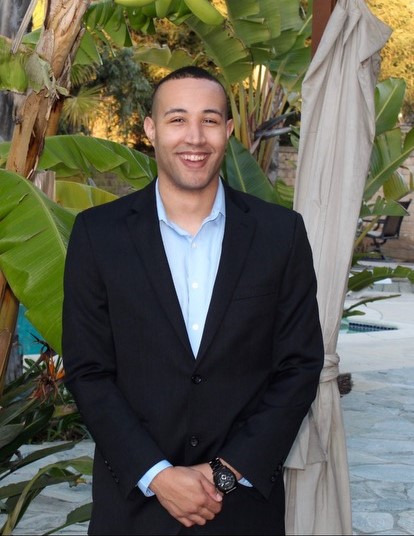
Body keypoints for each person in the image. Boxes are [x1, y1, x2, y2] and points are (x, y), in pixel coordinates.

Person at [62, 66, 324, 536]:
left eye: (209, 120)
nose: (194, 137)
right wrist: (158, 475)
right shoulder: (97, 235)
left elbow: (300, 366)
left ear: (226, 130)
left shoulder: (279, 234)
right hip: (134, 509)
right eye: (177, 119)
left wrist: (223, 475)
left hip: (242, 509)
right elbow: (88, 370)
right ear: (151, 129)